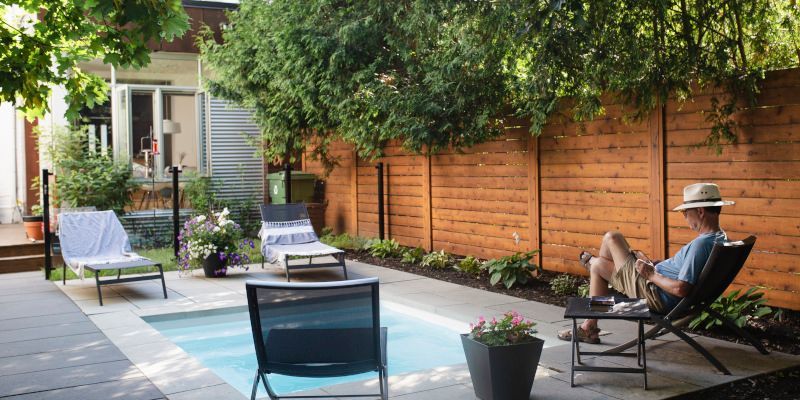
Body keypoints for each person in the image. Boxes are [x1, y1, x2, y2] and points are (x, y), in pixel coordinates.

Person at [558, 183, 734, 344]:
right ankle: (592, 318)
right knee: (599, 265)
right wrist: (654, 265)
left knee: (611, 239)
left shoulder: (702, 244)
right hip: (656, 283)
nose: (685, 217)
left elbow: (681, 288)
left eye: (685, 212)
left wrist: (651, 274)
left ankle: (592, 318)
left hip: (655, 294)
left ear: (701, 212)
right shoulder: (721, 238)